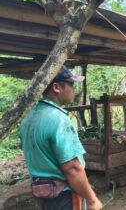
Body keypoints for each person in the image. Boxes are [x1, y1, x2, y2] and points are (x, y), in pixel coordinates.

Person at [20, 66, 102, 210]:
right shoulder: (59, 119)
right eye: (71, 85)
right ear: (57, 87)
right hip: (63, 196)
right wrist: (92, 199)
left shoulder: (28, 118)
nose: (73, 90)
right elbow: (72, 168)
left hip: (41, 193)